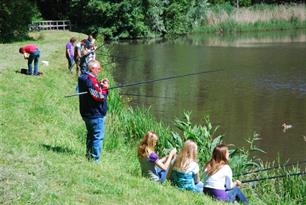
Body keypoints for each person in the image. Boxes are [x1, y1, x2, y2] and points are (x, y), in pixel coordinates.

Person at [78, 60, 109, 162]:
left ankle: (89, 156)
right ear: (92, 68)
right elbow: (98, 97)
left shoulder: (83, 77)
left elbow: (91, 91)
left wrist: (99, 86)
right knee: (97, 137)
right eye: (98, 69)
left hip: (86, 113)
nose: (99, 71)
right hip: (94, 114)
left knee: (91, 135)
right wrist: (105, 89)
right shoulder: (90, 80)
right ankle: (95, 160)